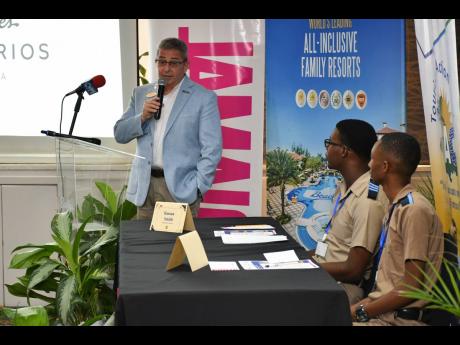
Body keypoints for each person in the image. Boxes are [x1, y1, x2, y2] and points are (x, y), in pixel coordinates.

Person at [114, 38, 222, 218]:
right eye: (161, 61)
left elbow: (212, 149)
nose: (166, 68)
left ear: (186, 64)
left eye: (173, 63)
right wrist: (142, 117)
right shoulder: (140, 94)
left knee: (176, 245)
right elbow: (120, 134)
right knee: (146, 245)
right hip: (144, 188)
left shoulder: (203, 98)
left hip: (180, 190)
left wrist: (198, 187)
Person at [351, 132, 444, 326]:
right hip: (382, 314)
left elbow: (410, 288)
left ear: (385, 167)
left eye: (372, 160)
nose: (368, 165)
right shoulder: (397, 207)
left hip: (399, 320)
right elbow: (387, 286)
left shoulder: (414, 210)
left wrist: (361, 311)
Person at [311, 119, 388, 305]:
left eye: (330, 143)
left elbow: (354, 269)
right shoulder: (345, 187)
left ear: (344, 150)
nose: (326, 149)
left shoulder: (368, 200)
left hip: (343, 288)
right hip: (324, 276)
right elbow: (332, 245)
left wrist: (306, 269)